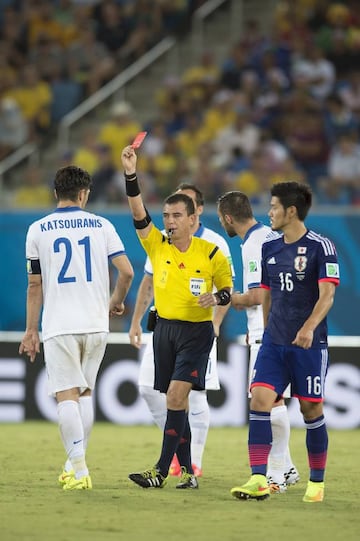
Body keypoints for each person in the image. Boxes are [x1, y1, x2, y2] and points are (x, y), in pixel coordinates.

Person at [121, 145, 233, 489]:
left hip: (197, 334)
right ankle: (187, 473)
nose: (168, 221)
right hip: (165, 331)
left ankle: (159, 470)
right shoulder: (157, 246)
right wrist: (130, 175)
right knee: (176, 402)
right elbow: (139, 214)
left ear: (192, 219)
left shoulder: (212, 252)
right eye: (166, 216)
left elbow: (229, 292)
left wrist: (216, 298)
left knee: (175, 397)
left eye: (175, 216)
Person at [19, 165, 134, 490]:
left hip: (60, 325)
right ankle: (73, 465)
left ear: (56, 193)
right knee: (85, 394)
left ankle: (81, 471)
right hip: (97, 325)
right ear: (84, 194)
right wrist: (115, 302)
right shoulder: (103, 225)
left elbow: (34, 285)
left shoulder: (37, 230)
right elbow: (126, 272)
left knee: (66, 397)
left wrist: (31, 330)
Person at [229, 181, 339, 503]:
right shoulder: (270, 248)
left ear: (291, 211)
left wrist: (308, 328)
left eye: (274, 207)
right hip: (273, 343)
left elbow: (328, 294)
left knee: (310, 409)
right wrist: (265, 332)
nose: (269, 213)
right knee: (260, 401)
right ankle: (259, 478)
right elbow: (266, 295)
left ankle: (316, 483)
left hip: (308, 345)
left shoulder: (322, 246)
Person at [217, 190, 299, 493]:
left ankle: (276, 475)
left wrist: (226, 298)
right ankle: (286, 468)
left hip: (268, 330)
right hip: (284, 325)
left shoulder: (253, 244)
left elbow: (256, 295)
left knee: (268, 402)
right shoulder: (270, 235)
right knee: (272, 399)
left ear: (228, 218)